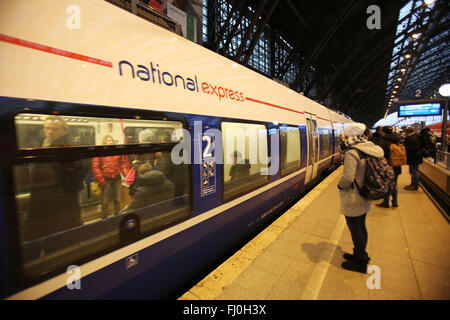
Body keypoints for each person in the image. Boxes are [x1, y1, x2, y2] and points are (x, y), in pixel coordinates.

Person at [24, 116, 84, 241]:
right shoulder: (43, 145)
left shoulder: (68, 149)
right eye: (47, 128)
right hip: (43, 201)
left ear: (64, 131)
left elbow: (76, 179)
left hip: (59, 205)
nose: (50, 132)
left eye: (55, 129)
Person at [337, 123, 384, 273]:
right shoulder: (368, 148)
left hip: (354, 197)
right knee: (361, 226)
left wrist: (339, 186)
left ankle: (360, 262)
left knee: (355, 229)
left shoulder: (352, 152)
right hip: (365, 194)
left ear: (350, 135)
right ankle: (360, 254)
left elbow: (348, 178)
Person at [92, 135, 129, 218]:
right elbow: (96, 167)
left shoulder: (117, 151)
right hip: (105, 179)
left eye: (112, 140)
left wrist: (126, 175)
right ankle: (104, 217)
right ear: (104, 142)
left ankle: (117, 215)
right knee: (105, 200)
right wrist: (101, 180)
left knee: (117, 199)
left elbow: (122, 164)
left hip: (116, 178)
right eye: (109, 140)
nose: (111, 142)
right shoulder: (100, 152)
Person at [376, 126, 402, 208]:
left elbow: (380, 153)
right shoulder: (397, 140)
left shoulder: (383, 140)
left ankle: (386, 202)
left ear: (384, 132)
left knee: (386, 184)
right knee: (394, 184)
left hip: (387, 165)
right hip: (396, 165)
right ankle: (394, 202)